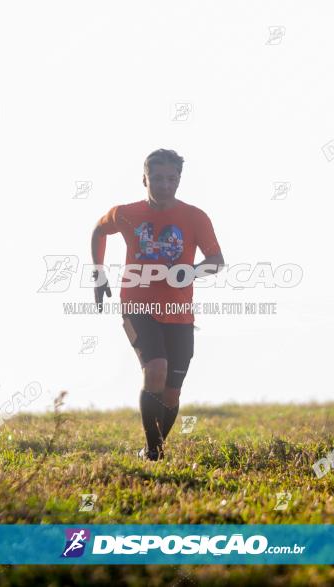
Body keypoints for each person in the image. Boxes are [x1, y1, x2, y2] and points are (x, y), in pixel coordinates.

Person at [91, 149, 225, 461]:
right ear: (144, 179)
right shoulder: (126, 213)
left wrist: (191, 271)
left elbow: (217, 261)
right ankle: (153, 453)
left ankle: (154, 447)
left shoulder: (195, 217)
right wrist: (98, 273)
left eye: (171, 179)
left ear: (179, 180)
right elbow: (99, 230)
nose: (165, 185)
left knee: (172, 391)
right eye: (158, 179)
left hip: (179, 313)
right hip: (136, 305)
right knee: (156, 369)